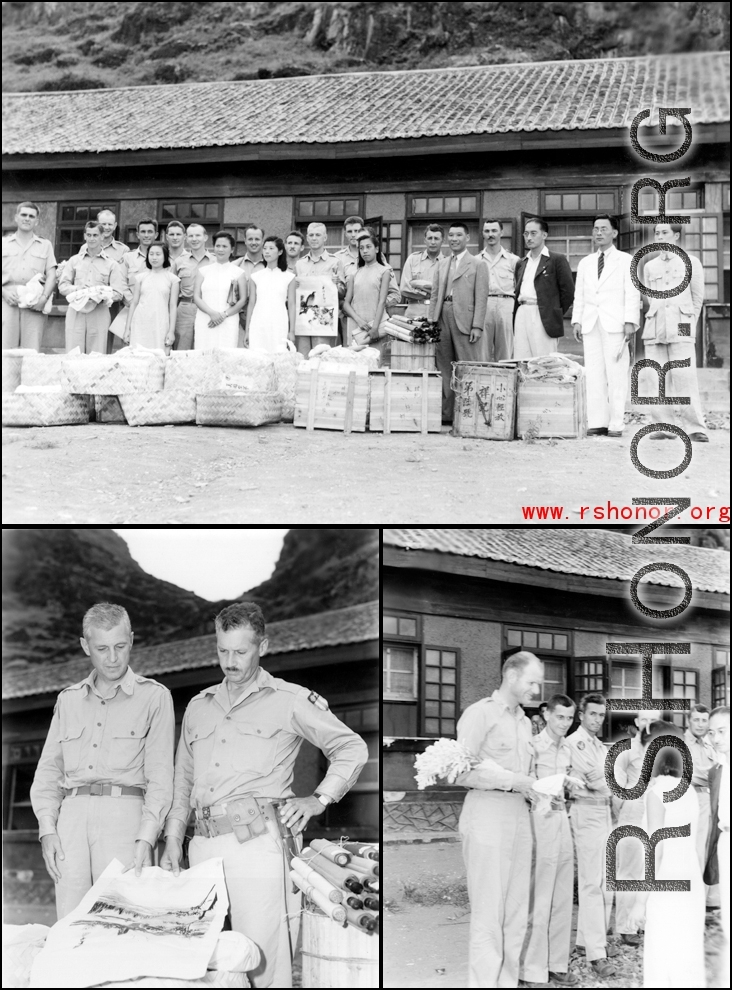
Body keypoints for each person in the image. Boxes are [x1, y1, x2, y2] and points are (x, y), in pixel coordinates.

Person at [160, 602, 368, 989]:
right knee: (205, 960)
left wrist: (318, 799)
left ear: (263, 646)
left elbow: (351, 747)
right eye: (223, 650)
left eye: (240, 651)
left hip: (256, 844)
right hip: (201, 847)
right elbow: (182, 780)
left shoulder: (289, 699)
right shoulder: (199, 706)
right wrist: (173, 837)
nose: (230, 661)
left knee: (262, 962)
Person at [29, 603, 174, 920]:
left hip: (125, 821)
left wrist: (146, 836)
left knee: (121, 924)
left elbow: (162, 778)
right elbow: (48, 774)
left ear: (132, 640)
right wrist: (47, 829)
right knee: (71, 925)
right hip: (71, 822)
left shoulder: (155, 697)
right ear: (85, 646)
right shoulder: (67, 700)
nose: (112, 658)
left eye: (120, 647)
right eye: (102, 648)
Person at [454, 651, 544, 988]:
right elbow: (459, 770)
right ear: (511, 676)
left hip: (520, 814)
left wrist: (539, 787)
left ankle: (506, 983)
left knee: (516, 910)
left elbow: (527, 774)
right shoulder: (480, 714)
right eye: (532, 682)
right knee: (489, 913)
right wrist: (515, 782)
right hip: (488, 813)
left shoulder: (524, 721)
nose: (537, 690)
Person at [629, 720, 705, 988]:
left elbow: (655, 850)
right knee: (686, 958)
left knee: (662, 958)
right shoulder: (690, 791)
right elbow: (697, 845)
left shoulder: (657, 793)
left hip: (666, 883)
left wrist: (640, 901)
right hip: (690, 881)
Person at [520, 694, 579, 988]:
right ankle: (531, 968)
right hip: (539, 822)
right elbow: (524, 786)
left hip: (561, 819)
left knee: (563, 895)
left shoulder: (568, 748)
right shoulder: (533, 746)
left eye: (569, 718)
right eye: (560, 717)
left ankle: (557, 963)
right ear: (546, 715)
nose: (565, 724)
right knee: (539, 896)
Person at [572, 214, 640, 437]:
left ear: (614, 233)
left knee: (616, 374)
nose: (598, 233)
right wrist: (577, 320)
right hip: (591, 323)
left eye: (603, 229)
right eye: (595, 229)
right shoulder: (585, 262)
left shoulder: (626, 260)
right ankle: (598, 421)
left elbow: (632, 293)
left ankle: (616, 423)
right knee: (594, 374)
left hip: (616, 324)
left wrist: (630, 321)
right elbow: (579, 294)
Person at [641, 222, 708, 442]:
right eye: (657, 233)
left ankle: (695, 427)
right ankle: (663, 426)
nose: (660, 236)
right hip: (655, 325)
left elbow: (697, 298)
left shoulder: (692, 262)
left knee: (684, 375)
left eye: (665, 232)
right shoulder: (650, 266)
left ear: (676, 236)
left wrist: (688, 326)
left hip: (682, 324)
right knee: (655, 377)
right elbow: (651, 298)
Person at [565, 693, 615, 978]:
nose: (597, 719)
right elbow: (596, 781)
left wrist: (605, 780)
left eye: (601, 715)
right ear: (581, 715)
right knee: (591, 884)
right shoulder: (575, 743)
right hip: (586, 812)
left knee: (606, 881)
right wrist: (606, 780)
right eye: (592, 714)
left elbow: (607, 781)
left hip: (604, 812)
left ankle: (587, 941)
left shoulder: (599, 746)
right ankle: (597, 954)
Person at [429, 221, 490, 422]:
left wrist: (477, 325)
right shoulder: (442, 263)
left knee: (466, 365)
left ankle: (470, 412)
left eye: (458, 235)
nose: (454, 239)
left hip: (465, 318)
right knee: (444, 366)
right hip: (443, 316)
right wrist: (432, 321)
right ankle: (447, 414)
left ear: (468, 238)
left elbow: (481, 297)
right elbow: (435, 294)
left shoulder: (478, 264)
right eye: (451, 235)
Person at [613, 710, 659, 947]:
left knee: (648, 868)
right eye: (644, 720)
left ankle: (641, 921)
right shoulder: (627, 748)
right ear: (636, 721)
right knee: (629, 870)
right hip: (633, 808)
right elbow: (616, 783)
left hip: (655, 810)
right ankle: (625, 926)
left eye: (653, 721)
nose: (648, 725)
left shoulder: (661, 747)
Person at [58, 221, 126, 353]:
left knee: (97, 353)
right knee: (74, 352)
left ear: (102, 237)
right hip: (76, 311)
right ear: (84, 236)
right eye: (89, 235)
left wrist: (100, 293)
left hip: (99, 311)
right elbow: (62, 286)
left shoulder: (111, 264)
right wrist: (77, 289)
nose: (92, 238)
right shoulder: (74, 261)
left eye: (95, 235)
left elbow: (118, 293)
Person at [513, 217, 574, 361]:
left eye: (533, 233)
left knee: (544, 362)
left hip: (543, 315)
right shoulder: (521, 263)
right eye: (526, 234)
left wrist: (553, 311)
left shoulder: (556, 259)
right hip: (522, 312)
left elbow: (568, 292)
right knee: (522, 360)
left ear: (544, 235)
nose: (529, 237)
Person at [2, 201, 57, 350]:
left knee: (31, 351)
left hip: (34, 301)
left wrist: (43, 299)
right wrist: (4, 293)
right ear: (16, 217)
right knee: (5, 351)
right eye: (23, 215)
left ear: (37, 221)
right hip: (7, 301)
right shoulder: (4, 243)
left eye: (31, 216)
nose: (27, 219)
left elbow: (52, 274)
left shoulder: (45, 245)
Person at [704, 705, 730, 989]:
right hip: (725, 841)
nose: (716, 738)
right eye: (712, 732)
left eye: (722, 731)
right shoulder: (717, 769)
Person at [193, 231, 248, 350]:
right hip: (205, 319)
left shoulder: (238, 273)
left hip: (228, 320)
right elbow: (196, 296)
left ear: (232, 249)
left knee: (226, 356)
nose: (220, 249)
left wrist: (223, 315)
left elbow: (243, 300)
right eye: (218, 246)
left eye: (224, 246)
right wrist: (211, 313)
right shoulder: (203, 271)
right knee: (204, 354)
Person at [294, 221, 340, 357]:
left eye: (318, 235)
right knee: (303, 357)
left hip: (324, 319)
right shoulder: (300, 264)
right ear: (307, 238)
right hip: (303, 318)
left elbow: (343, 292)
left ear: (325, 237)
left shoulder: (335, 262)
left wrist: (336, 285)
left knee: (322, 356)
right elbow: (294, 293)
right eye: (311, 235)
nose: (314, 238)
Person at [124, 241, 180, 353]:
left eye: (158, 254)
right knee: (138, 356)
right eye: (151, 254)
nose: (154, 257)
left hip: (161, 322)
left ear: (165, 256)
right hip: (140, 322)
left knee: (160, 357)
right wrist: (127, 329)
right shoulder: (140, 277)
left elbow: (173, 306)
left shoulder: (173, 279)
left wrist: (171, 331)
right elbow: (134, 303)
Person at [342, 230, 391, 354]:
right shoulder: (355, 273)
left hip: (376, 325)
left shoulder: (384, 271)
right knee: (355, 363)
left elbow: (382, 302)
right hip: (356, 325)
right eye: (361, 248)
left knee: (375, 362)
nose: (364, 251)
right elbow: (346, 304)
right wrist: (359, 321)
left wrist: (375, 328)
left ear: (376, 249)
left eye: (368, 247)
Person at [246, 235, 296, 353]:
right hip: (258, 323)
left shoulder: (289, 277)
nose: (267, 252)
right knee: (257, 358)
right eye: (265, 248)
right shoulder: (255, 276)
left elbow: (292, 305)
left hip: (279, 323)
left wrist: (292, 331)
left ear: (280, 252)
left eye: (271, 248)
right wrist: (247, 330)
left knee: (278, 357)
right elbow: (251, 303)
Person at [479, 219, 520, 362]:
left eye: (494, 231)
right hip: (483, 305)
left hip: (506, 305)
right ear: (483, 234)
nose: (490, 235)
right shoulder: (476, 260)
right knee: (481, 351)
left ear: (501, 232)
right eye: (487, 231)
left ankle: (505, 383)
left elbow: (519, 287)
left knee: (506, 353)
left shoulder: (513, 260)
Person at [170, 223, 213, 351]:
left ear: (205, 237)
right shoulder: (179, 262)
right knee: (182, 348)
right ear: (186, 239)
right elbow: (172, 292)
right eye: (191, 236)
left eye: (198, 235)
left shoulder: (215, 261)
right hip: (185, 309)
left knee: (205, 347)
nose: (194, 239)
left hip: (208, 308)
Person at [683, 705, 715, 872]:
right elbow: (688, 774)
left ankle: (706, 896)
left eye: (704, 720)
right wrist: (712, 774)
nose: (700, 724)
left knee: (709, 849)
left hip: (709, 801)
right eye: (696, 720)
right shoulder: (680, 742)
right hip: (691, 800)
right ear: (689, 721)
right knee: (694, 850)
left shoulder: (708, 746)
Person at [399, 223, 444, 321]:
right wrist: (431, 293)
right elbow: (404, 288)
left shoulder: (447, 263)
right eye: (430, 238)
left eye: (436, 239)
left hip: (438, 314)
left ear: (442, 241)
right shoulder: (413, 259)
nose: (432, 242)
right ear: (425, 240)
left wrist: (417, 285)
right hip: (414, 313)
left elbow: (446, 292)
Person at [234, 225, 266, 347]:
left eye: (257, 239)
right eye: (250, 239)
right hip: (239, 320)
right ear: (245, 241)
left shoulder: (271, 266)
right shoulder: (235, 266)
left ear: (263, 241)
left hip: (264, 320)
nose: (254, 242)